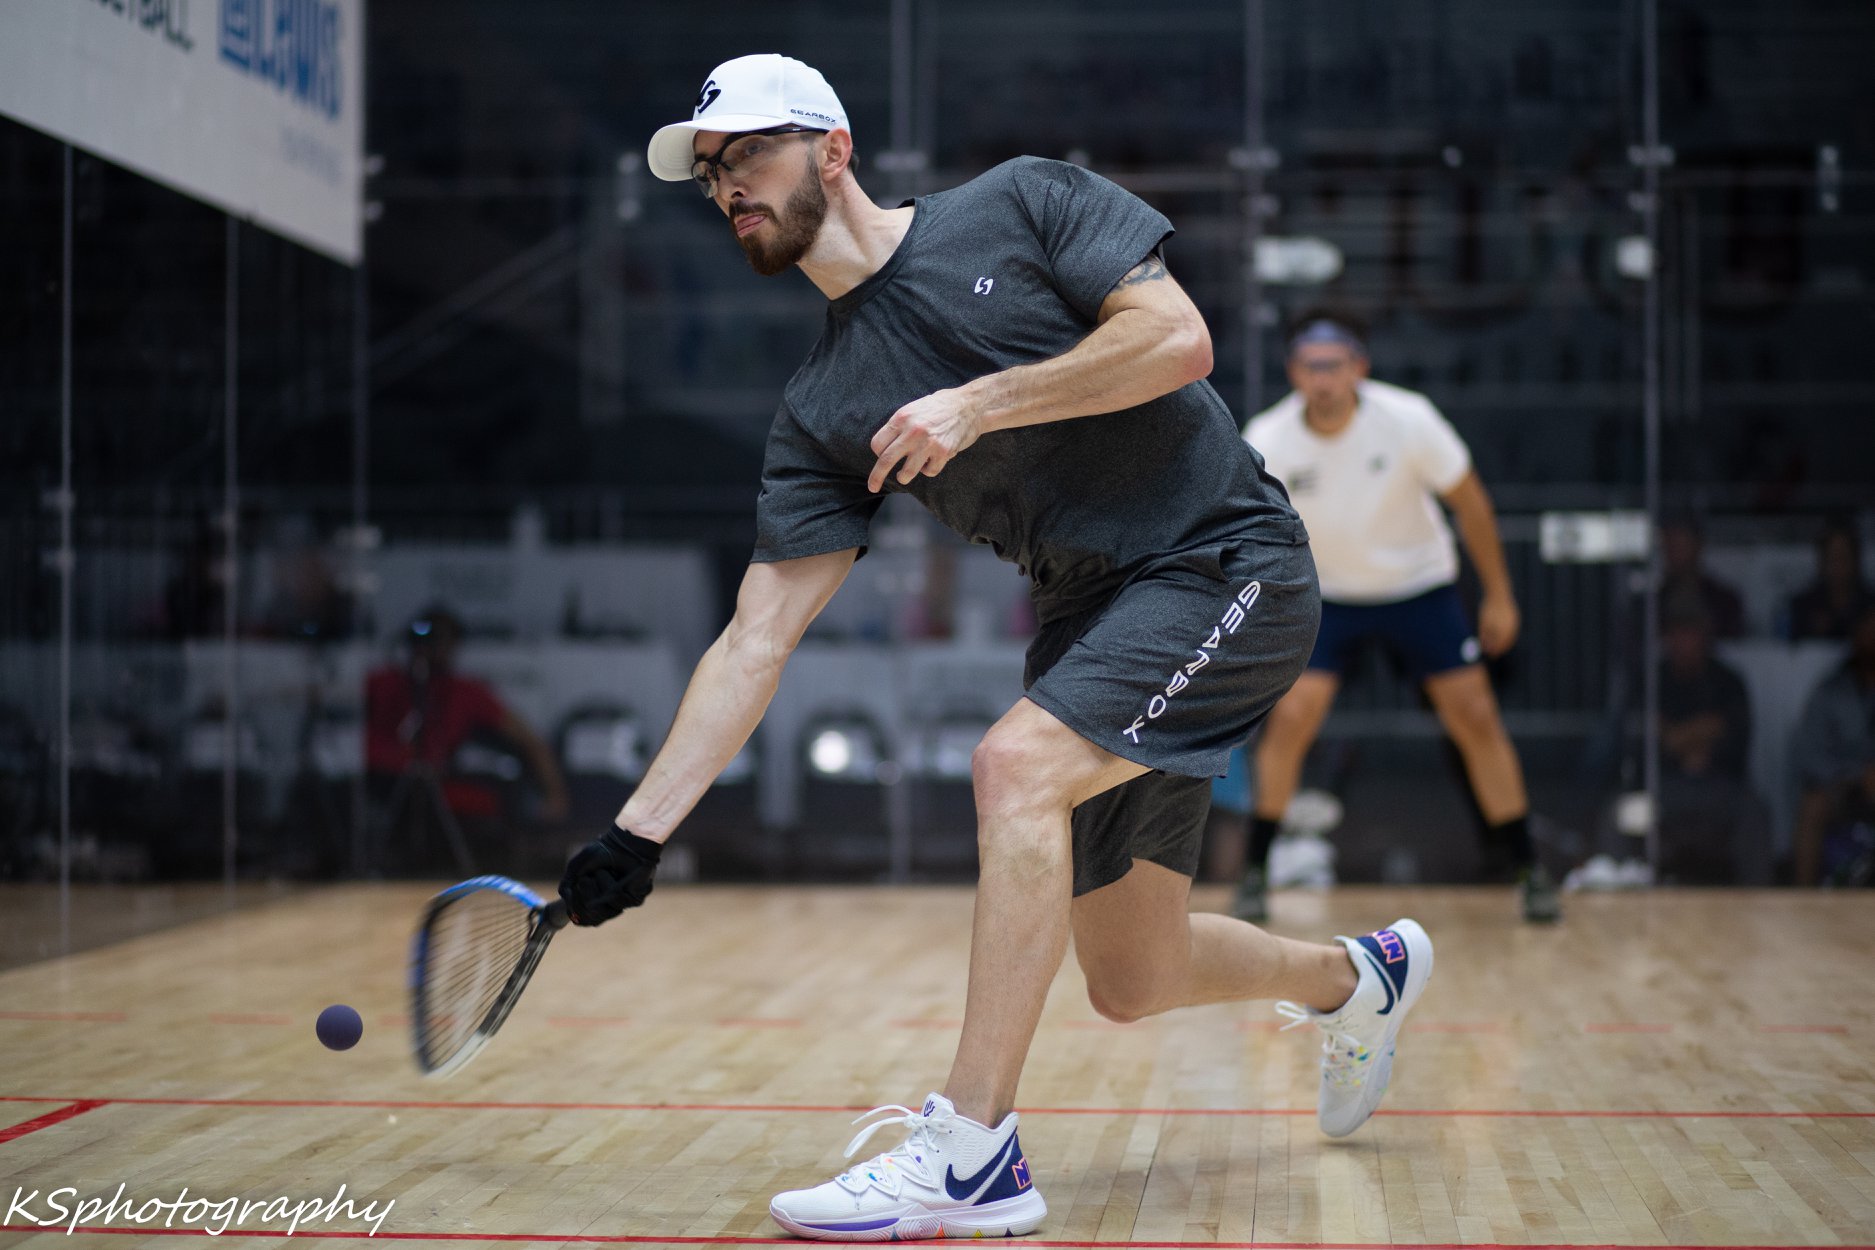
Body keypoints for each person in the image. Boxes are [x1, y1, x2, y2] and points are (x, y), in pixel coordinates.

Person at [555, 54, 1435, 1244]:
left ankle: (972, 1153)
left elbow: (1178, 340)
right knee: (1131, 975)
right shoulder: (822, 407)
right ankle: (1357, 976)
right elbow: (756, 635)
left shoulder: (1021, 203)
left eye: (746, 155)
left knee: (1013, 767)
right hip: (1091, 615)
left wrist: (980, 401)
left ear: (832, 148)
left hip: (1228, 559)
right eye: (709, 174)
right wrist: (636, 831)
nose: (726, 189)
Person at [1234, 309, 1559, 923]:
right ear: (1293, 371)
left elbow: (1472, 503)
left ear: (1360, 367)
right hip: (1326, 597)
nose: (1323, 378)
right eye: (1310, 366)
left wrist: (1499, 595)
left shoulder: (1409, 420)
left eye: (1334, 365)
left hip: (1420, 589)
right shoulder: (1269, 437)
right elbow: (1249, 531)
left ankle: (1528, 870)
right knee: (1293, 719)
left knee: (1476, 716)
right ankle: (1256, 873)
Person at [364, 606, 568, 848]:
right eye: (425, 640)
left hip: (433, 784)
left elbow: (530, 739)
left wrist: (555, 795)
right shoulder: (383, 683)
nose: (430, 649)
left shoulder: (464, 692)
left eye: (440, 641)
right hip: (378, 780)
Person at [1655, 596, 1769, 883]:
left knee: (1754, 811)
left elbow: (1738, 743)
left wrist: (1677, 735)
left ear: (1704, 634)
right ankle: (1617, 903)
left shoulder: (1727, 681)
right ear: (1666, 636)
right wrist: (1703, 729)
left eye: (1691, 631)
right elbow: (1643, 741)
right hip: (1665, 788)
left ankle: (1758, 904)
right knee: (1619, 813)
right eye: (1677, 632)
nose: (1684, 640)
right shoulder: (1652, 680)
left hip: (1719, 786)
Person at [1790, 600, 1875, 885]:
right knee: (1812, 805)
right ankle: (1804, 899)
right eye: (1867, 628)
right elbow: (1808, 753)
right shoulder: (1831, 690)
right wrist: (1856, 776)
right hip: (1844, 789)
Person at [1659, 512, 1745, 640]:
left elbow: (1733, 644)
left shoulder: (1725, 601)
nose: (1675, 555)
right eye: (1670, 548)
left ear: (1698, 547)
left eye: (1681, 547)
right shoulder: (1652, 604)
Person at [1785, 517, 1872, 642]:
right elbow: (1792, 651)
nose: (1838, 566)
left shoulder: (1870, 606)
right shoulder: (1803, 605)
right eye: (1832, 558)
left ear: (1856, 560)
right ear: (1821, 561)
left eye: (1843, 557)